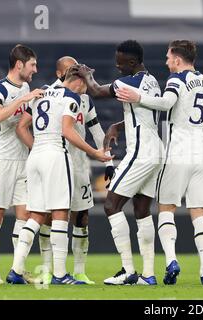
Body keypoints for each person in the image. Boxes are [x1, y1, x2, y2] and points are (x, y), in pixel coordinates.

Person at [117, 40, 203, 285]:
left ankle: (172, 260)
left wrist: (138, 96)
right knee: (200, 213)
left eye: (168, 57)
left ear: (177, 59)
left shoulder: (176, 79)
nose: (166, 62)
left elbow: (165, 103)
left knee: (167, 208)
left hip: (178, 151)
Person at [6, 65, 113, 284]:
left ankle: (15, 270)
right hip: (56, 155)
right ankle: (60, 274)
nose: (87, 89)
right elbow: (67, 130)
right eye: (87, 83)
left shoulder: (42, 91)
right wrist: (94, 152)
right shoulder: (72, 98)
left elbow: (22, 127)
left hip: (35, 157)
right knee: (60, 213)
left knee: (36, 214)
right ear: (79, 80)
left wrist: (38, 147)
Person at [74, 40, 163, 285]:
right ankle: (149, 274)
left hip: (141, 151)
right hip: (155, 149)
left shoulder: (129, 82)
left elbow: (96, 91)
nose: (117, 65)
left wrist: (87, 75)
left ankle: (128, 270)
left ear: (132, 62)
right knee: (142, 210)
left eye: (121, 62)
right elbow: (145, 114)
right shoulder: (151, 80)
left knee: (111, 204)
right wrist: (117, 125)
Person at [37, 56, 114, 285]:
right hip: (55, 161)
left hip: (79, 165)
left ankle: (79, 271)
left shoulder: (84, 100)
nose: (77, 72)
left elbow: (97, 131)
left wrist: (108, 162)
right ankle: (48, 269)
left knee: (81, 217)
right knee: (49, 216)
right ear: (60, 74)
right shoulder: (45, 93)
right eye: (72, 69)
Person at [0, 44, 42, 284]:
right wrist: (23, 100)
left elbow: (22, 124)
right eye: (32, 65)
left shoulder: (26, 87)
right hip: (0, 160)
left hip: (22, 161)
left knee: (25, 216)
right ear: (19, 64)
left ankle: (17, 270)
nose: (35, 70)